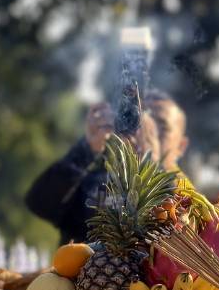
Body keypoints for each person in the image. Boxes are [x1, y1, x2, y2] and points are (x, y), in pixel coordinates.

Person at [25, 103, 161, 245]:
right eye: (128, 135)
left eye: (146, 137)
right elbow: (39, 203)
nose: (134, 142)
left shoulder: (167, 197)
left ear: (159, 146)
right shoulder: (93, 186)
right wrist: (86, 148)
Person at [146, 92, 190, 172]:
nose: (148, 133)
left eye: (162, 128)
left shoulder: (180, 181)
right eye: (143, 124)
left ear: (181, 146)